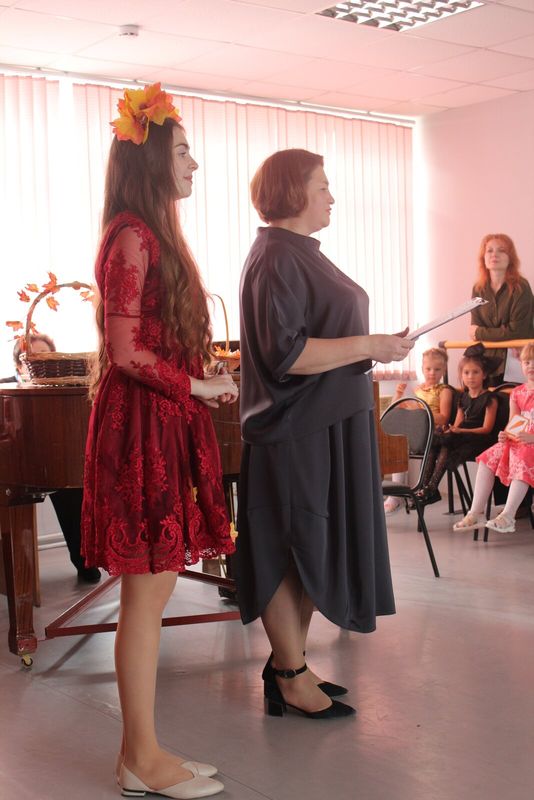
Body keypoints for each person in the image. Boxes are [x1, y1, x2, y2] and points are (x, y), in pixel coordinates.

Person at [81, 83, 237, 798]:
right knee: (145, 599)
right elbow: (124, 351)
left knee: (152, 593)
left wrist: (200, 376)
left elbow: (147, 341)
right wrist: (195, 385)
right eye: (182, 151)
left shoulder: (147, 233)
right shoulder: (132, 236)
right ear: (150, 160)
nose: (193, 164)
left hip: (159, 420)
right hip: (142, 426)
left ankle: (137, 754)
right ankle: (142, 761)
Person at [235, 148, 414, 721]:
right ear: (293, 192)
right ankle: (289, 677)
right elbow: (286, 355)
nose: (332, 197)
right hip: (297, 428)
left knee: (312, 548)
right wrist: (369, 345)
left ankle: (290, 665)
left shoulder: (299, 254)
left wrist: (377, 346)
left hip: (326, 423)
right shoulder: (275, 258)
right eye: (322, 186)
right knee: (293, 547)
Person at [1, 334, 100, 583]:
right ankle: (17, 576)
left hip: (50, 458)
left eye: (45, 355)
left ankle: (84, 559)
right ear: (20, 365)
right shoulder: (5, 389)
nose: (40, 361)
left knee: (71, 485)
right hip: (15, 462)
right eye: (34, 357)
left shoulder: (65, 390)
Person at [453, 342, 534, 533]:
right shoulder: (518, 393)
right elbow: (515, 422)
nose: (531, 366)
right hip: (521, 440)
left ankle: (508, 516)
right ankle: (476, 512)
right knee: (488, 457)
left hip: (530, 444)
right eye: (527, 362)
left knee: (523, 454)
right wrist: (506, 434)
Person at [414, 344, 499, 506]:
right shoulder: (462, 397)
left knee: (446, 445)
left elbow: (487, 429)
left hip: (478, 438)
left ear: (484, 375)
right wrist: (451, 429)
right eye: (466, 373)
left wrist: (459, 430)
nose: (470, 377)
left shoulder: (490, 398)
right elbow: (458, 423)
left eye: (475, 372)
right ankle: (424, 487)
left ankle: (432, 487)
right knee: (436, 443)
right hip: (461, 434)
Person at [384, 347, 453, 513]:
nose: (432, 373)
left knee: (404, 441)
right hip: (417, 432)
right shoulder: (418, 390)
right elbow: (398, 408)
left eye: (437, 369)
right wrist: (398, 395)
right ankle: (396, 495)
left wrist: (421, 411)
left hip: (433, 433)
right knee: (397, 443)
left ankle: (401, 495)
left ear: (444, 370)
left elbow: (444, 418)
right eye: (428, 369)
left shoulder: (444, 391)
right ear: (422, 369)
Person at [470, 234, 534, 385]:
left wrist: (480, 332)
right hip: (487, 362)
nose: (494, 254)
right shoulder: (478, 289)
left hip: (518, 360)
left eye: (501, 250)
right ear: (483, 257)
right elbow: (474, 330)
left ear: (510, 257)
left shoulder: (521, 287)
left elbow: (517, 331)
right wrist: (481, 333)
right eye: (489, 250)